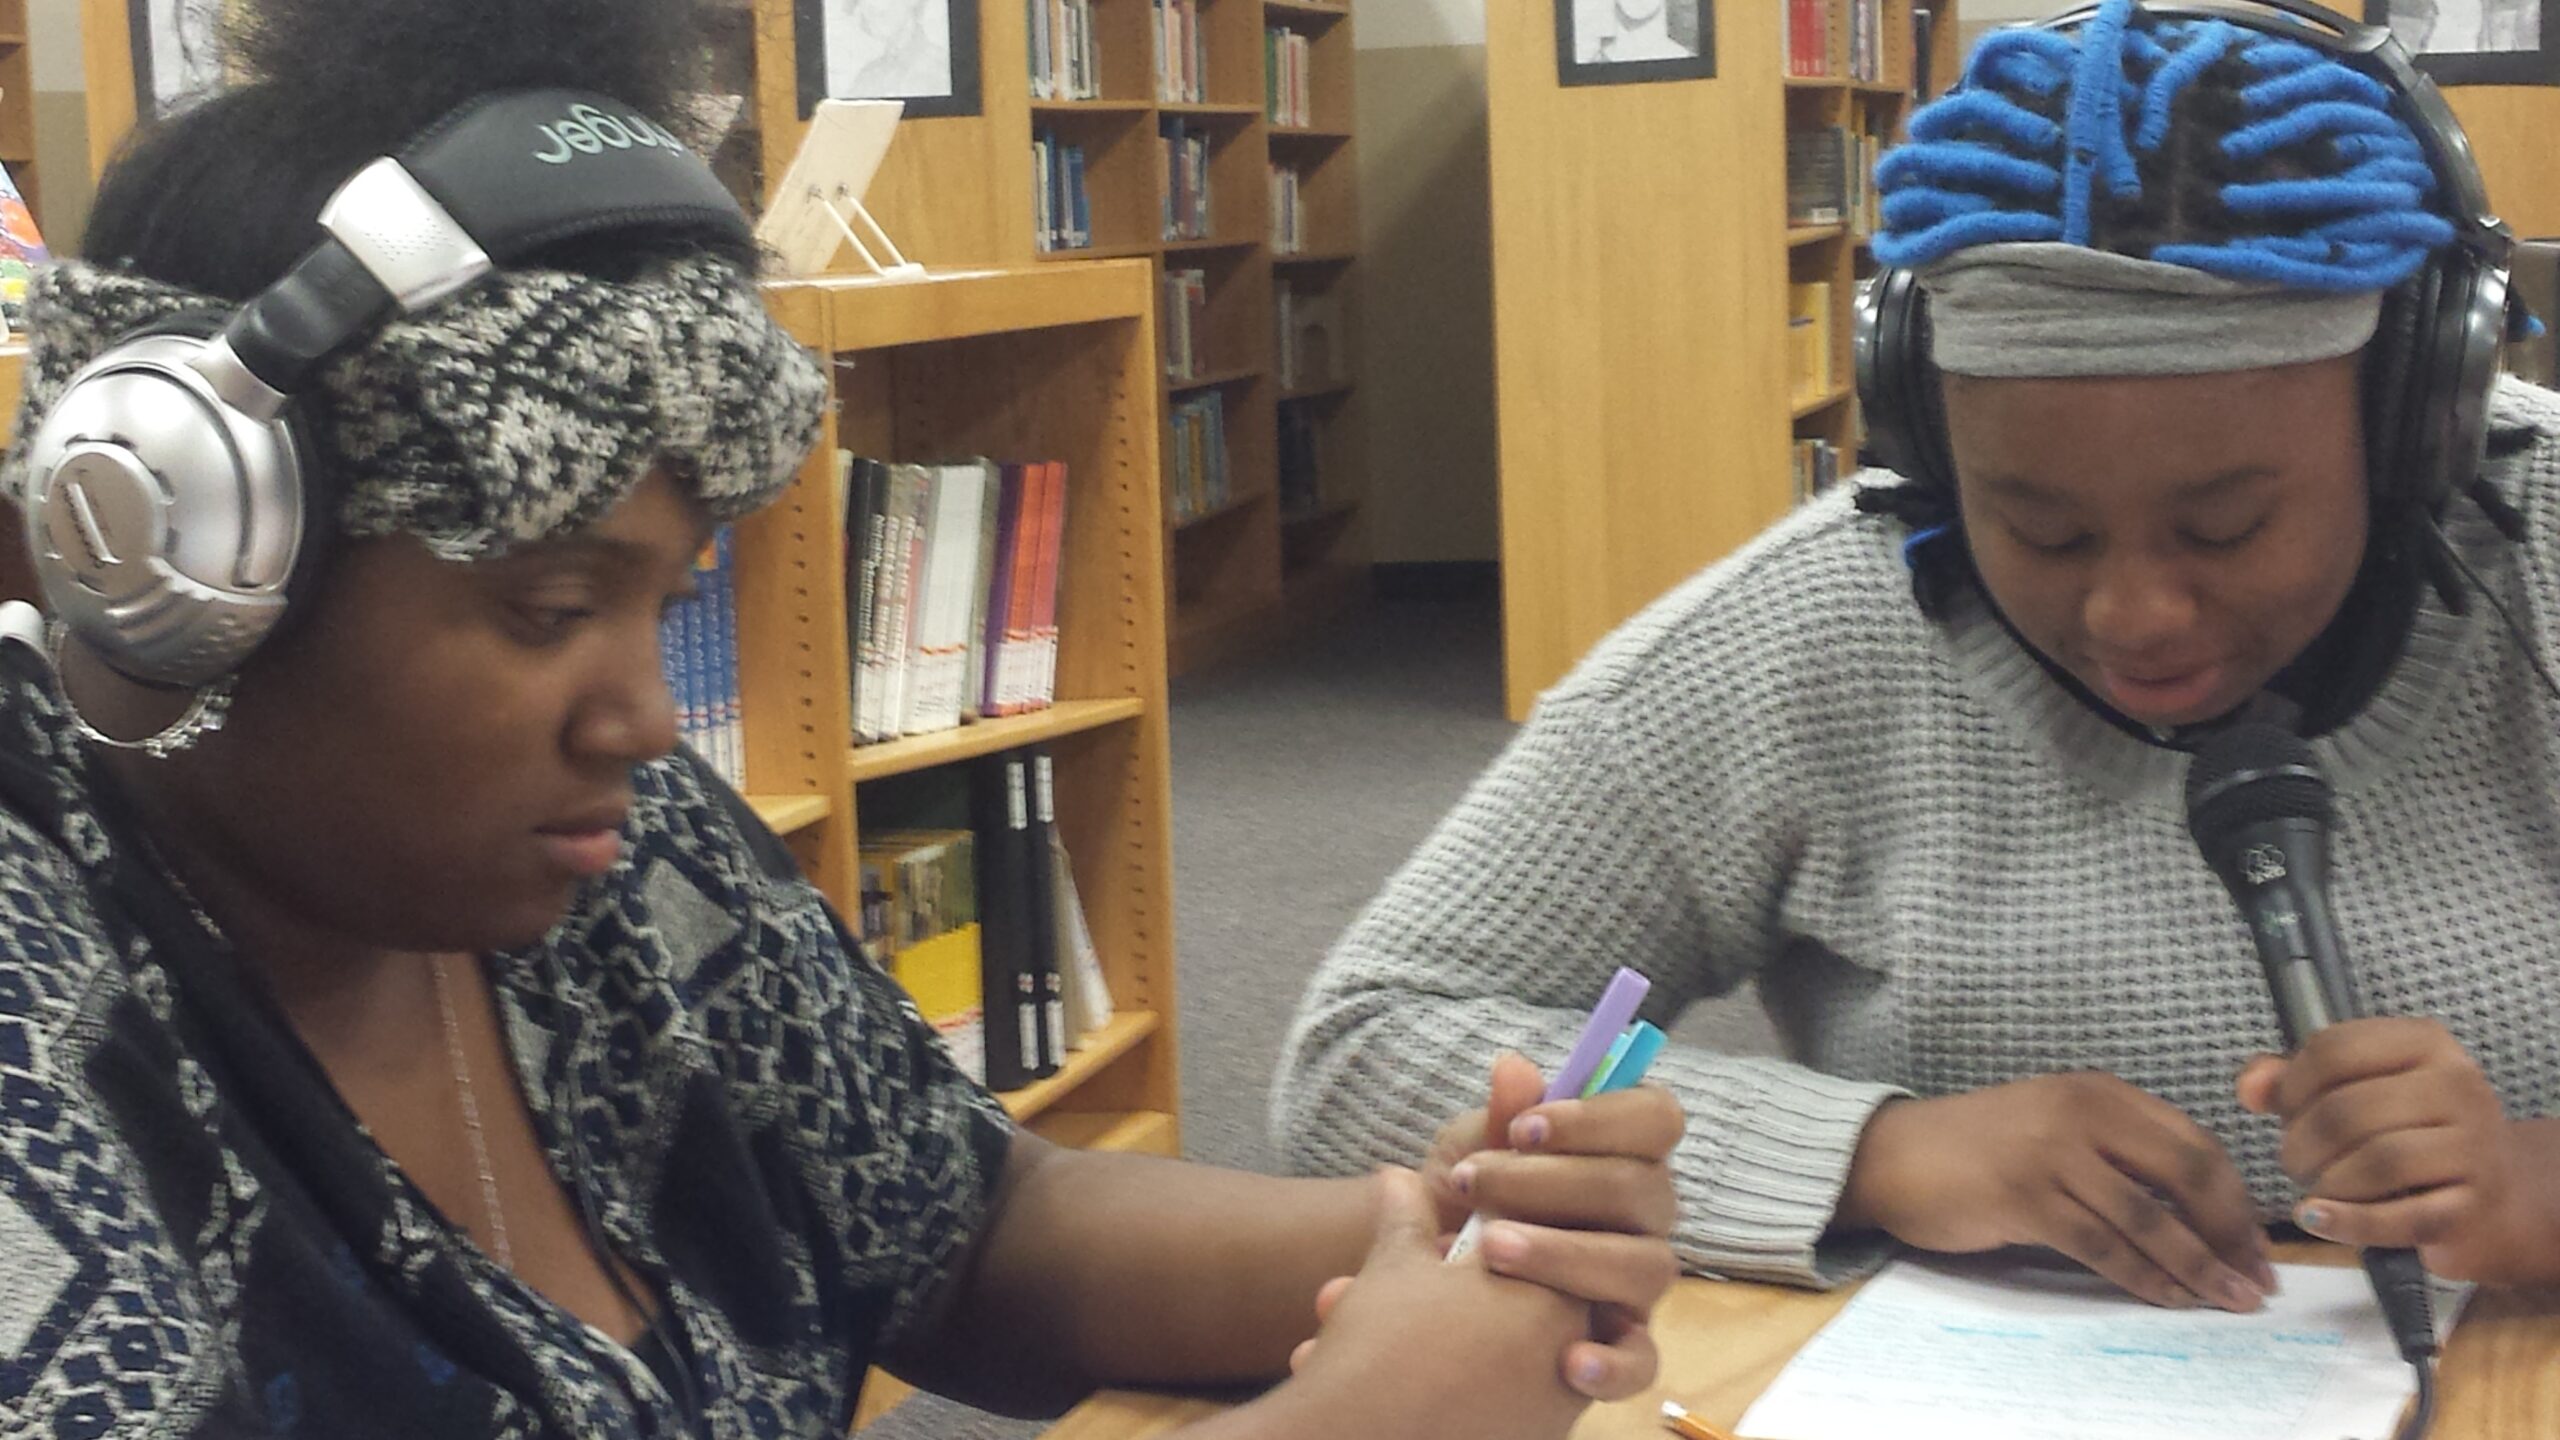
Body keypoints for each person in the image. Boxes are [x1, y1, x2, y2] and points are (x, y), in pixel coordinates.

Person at [0, 1, 1684, 1436]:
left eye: (674, 603)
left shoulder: (604, 856)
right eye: (549, 608)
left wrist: (1430, 1238)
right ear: (179, 551)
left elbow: (965, 1222)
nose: (651, 720)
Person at [1276, 0, 2560, 1316]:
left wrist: (2538, 1187)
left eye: (2225, 526)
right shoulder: (1824, 617)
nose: (2136, 614)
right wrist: (1864, 1153)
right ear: (1928, 443)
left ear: (2420, 419)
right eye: (2039, 528)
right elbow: (1363, 1050)